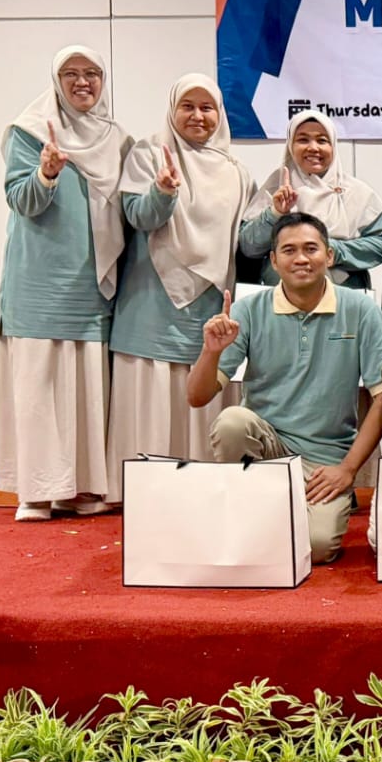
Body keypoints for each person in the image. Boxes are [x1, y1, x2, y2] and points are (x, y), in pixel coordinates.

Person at [186, 214, 382, 564]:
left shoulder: (360, 309)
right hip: (267, 446)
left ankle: (279, 515)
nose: (301, 258)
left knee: (318, 547)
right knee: (232, 422)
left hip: (325, 458)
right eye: (289, 250)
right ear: (273, 260)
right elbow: (197, 396)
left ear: (329, 255)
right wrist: (211, 352)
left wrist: (347, 469)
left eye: (311, 249)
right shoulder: (248, 310)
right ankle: (255, 509)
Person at [0, 46, 132, 521]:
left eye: (92, 73)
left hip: (92, 280)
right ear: (56, 80)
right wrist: (46, 172)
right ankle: (37, 491)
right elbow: (21, 199)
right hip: (38, 279)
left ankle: (79, 487)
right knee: (38, 386)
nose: (82, 82)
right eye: (71, 74)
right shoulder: (31, 130)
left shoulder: (117, 139)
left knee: (86, 387)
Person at [106, 74, 251, 503]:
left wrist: (275, 217)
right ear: (172, 110)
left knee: (203, 394)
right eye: (187, 106)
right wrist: (162, 191)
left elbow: (247, 242)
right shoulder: (150, 153)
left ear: (220, 114)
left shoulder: (236, 171)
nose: (198, 116)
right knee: (151, 397)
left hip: (211, 305)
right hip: (151, 303)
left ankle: (201, 494)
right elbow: (138, 216)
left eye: (207, 108)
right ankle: (144, 494)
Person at [239, 110, 382, 291]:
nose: (313, 148)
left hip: (344, 298)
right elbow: (248, 247)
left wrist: (333, 250)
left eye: (322, 140)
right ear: (290, 146)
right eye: (303, 140)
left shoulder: (356, 193)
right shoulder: (276, 187)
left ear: (333, 145)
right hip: (281, 298)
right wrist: (275, 214)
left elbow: (381, 245)